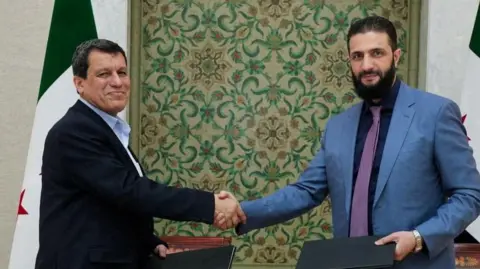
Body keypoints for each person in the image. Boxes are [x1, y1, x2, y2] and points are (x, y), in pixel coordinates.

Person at [218, 16, 480, 268]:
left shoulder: (436, 113)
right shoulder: (338, 126)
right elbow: (306, 191)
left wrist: (417, 237)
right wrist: (241, 210)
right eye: (358, 56)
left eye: (377, 53)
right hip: (349, 264)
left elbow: (469, 195)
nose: (366, 65)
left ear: (396, 56)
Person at [34, 39, 245, 269]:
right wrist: (210, 205)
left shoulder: (105, 129)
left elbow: (113, 205)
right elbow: (130, 191)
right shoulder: (74, 132)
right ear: (79, 83)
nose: (117, 82)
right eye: (104, 74)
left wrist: (149, 242)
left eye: (122, 72)